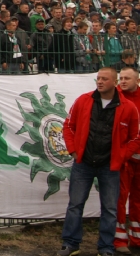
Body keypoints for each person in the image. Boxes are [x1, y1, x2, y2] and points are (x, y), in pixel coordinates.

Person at [58, 67, 140, 256]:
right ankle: (70, 244)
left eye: (104, 79)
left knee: (110, 208)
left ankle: (105, 247)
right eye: (98, 79)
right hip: (83, 164)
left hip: (109, 166)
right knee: (75, 205)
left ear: (114, 82)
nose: (100, 82)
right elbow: (69, 126)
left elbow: (135, 138)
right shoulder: (83, 100)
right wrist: (73, 151)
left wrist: (121, 157)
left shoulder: (128, 107)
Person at [116, 68, 140, 253]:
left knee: (138, 200)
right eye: (121, 78)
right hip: (123, 158)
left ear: (137, 80)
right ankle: (119, 240)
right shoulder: (115, 97)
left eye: (127, 78)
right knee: (119, 199)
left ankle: (136, 238)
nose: (122, 81)